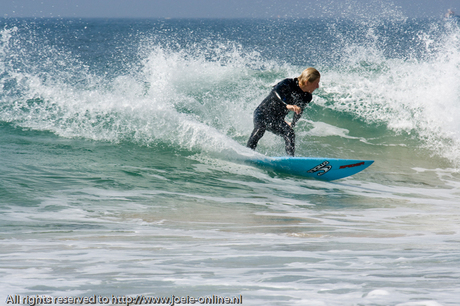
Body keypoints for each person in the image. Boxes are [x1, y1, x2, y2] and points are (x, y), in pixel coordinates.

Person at [246, 67, 320, 156]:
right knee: (260, 128)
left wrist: (293, 123)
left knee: (290, 133)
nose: (318, 86)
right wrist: (286, 105)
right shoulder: (288, 83)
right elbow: (275, 94)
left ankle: (290, 159)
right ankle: (247, 153)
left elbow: (299, 111)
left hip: (276, 119)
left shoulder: (307, 96)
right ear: (307, 82)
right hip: (262, 113)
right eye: (316, 83)